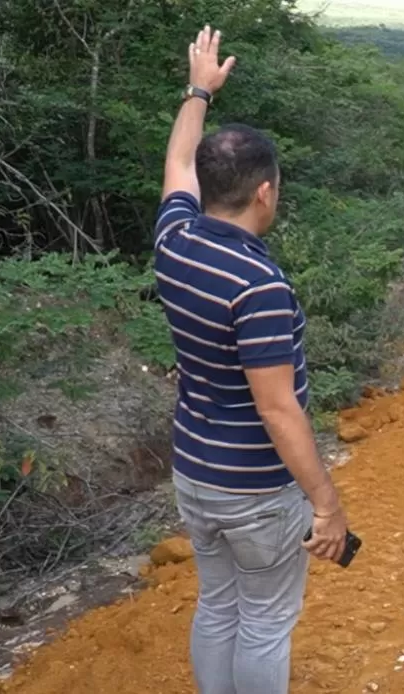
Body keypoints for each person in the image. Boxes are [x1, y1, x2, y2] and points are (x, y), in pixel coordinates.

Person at [153, 25, 349, 694]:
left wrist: (197, 90)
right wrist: (326, 504)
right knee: (265, 622)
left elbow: (177, 164)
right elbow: (276, 407)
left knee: (219, 604)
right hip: (257, 491)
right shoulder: (258, 286)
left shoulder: (176, 239)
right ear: (265, 192)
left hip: (195, 474)